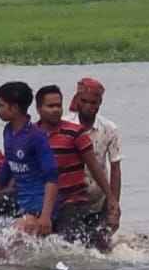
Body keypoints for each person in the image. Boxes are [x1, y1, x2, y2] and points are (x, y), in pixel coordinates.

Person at [35, 84, 116, 248]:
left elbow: (96, 168)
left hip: (73, 201)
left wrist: (112, 200)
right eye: (51, 106)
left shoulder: (76, 132)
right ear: (38, 108)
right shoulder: (31, 135)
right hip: (41, 201)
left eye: (58, 105)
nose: (56, 110)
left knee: (72, 246)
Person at [0, 81, 58, 237]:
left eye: (1, 105)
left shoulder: (36, 136)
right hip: (22, 203)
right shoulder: (8, 132)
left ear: (13, 108)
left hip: (39, 205)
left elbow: (52, 177)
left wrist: (46, 216)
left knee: (6, 245)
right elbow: (6, 170)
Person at [66, 77, 122, 232]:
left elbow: (115, 169)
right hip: (70, 200)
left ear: (100, 104)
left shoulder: (110, 129)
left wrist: (114, 205)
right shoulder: (64, 126)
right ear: (77, 100)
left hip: (99, 198)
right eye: (84, 101)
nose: (88, 106)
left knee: (101, 248)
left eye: (94, 103)